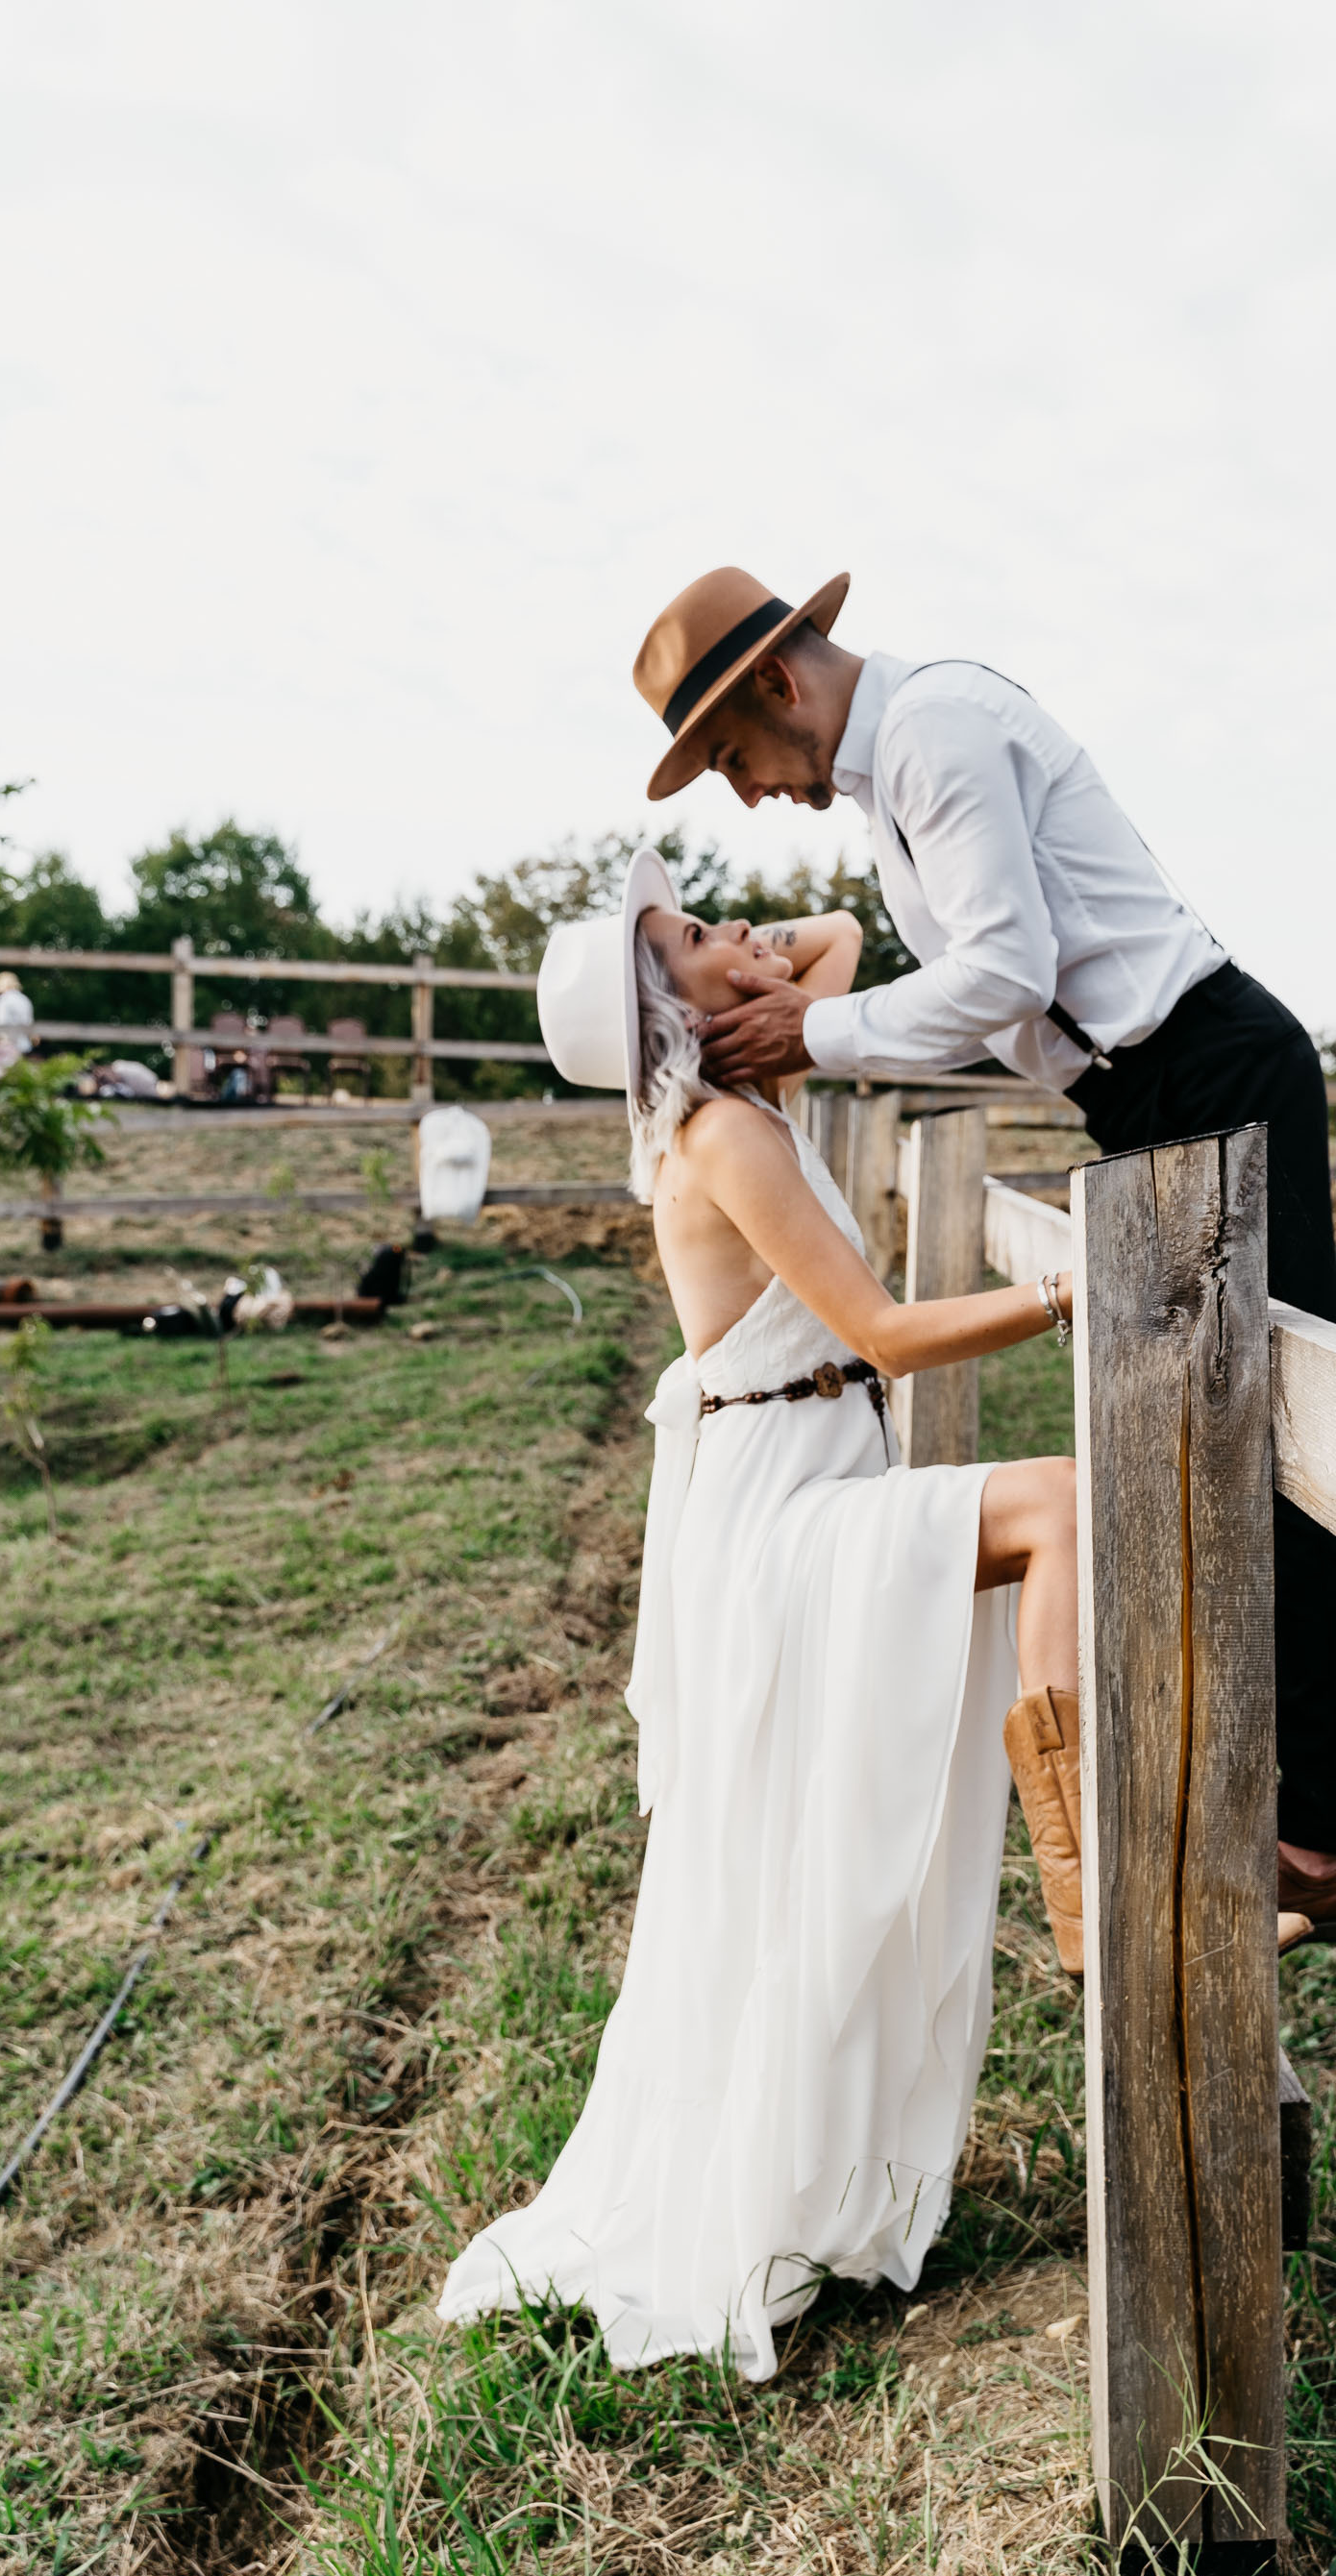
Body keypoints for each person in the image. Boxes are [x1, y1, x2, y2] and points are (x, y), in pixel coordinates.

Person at [628, 567, 1336, 1950]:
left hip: (1213, 1066)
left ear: (782, 685)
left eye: (732, 756)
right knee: (1171, 1442)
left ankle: (1316, 1835)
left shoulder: (935, 734)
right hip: (1138, 1095)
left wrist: (808, 1033)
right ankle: (1207, 1793)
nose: (746, 795)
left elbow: (1008, 977)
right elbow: (950, 977)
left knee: (1268, 1427)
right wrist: (767, 1002)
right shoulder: (887, 780)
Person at [436, 848, 1085, 2376]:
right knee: (1058, 1501)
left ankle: (1069, 1841)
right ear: (676, 1007)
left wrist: (723, 975)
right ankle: (1080, 1862)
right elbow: (888, 1338)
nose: (750, 930)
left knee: (792, 1852)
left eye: (730, 920)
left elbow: (845, 934)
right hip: (781, 1518)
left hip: (793, 1473)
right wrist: (1080, 1288)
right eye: (703, 934)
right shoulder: (726, 1135)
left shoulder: (733, 1096)